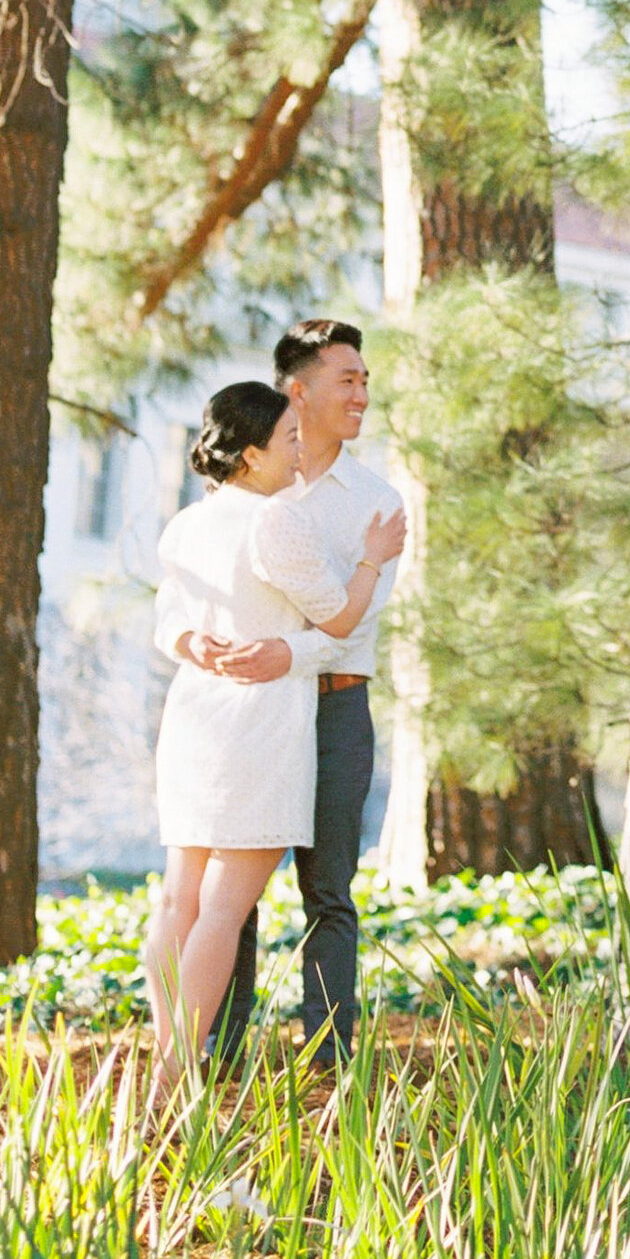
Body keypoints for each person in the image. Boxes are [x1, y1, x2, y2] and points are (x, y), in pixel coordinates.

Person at [144, 378, 405, 1096]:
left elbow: (168, 622)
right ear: (253, 453)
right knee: (224, 908)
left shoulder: (190, 523)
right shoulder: (273, 523)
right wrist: (373, 557)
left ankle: (167, 1055)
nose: (300, 450)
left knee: (178, 900)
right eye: (289, 439)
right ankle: (174, 1074)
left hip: (195, 715)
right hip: (257, 726)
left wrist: (193, 642)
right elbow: (339, 619)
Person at [207, 316, 405, 1066]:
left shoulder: (376, 500)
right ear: (299, 390)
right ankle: (222, 1051)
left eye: (363, 380)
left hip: (335, 709)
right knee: (238, 888)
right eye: (346, 380)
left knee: (329, 890)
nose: (360, 394)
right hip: (253, 712)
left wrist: (280, 653)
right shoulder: (245, 493)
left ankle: (328, 1057)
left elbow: (355, 629)